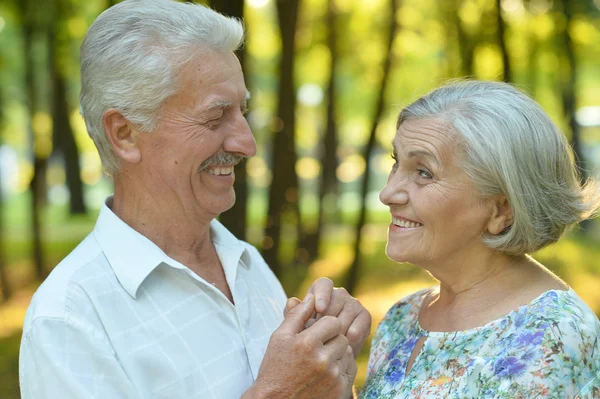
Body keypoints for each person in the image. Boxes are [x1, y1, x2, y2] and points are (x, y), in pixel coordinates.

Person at [18, 1, 371, 398]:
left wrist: (329, 368)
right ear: (124, 133)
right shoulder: (70, 319)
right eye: (215, 117)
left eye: (243, 111)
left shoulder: (246, 264)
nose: (247, 144)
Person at [360, 80, 600, 398]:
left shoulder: (553, 334)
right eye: (396, 164)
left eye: (423, 172)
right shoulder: (402, 318)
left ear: (501, 210)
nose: (387, 193)